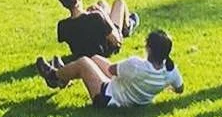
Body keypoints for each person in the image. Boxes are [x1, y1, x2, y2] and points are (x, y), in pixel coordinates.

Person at [35, 27, 184, 111]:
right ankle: (64, 75)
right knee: (95, 58)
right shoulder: (171, 72)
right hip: (132, 99)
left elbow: (111, 70)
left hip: (109, 99)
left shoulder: (136, 65)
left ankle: (53, 76)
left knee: (84, 62)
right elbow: (179, 89)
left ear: (149, 49)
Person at [54, 0, 138, 60]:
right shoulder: (96, 17)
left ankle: (127, 21)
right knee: (119, 2)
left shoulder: (62, 26)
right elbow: (117, 42)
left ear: (64, 5)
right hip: (106, 50)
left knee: (101, 3)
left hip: (82, 53)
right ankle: (128, 26)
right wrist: (103, 14)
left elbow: (81, 28)